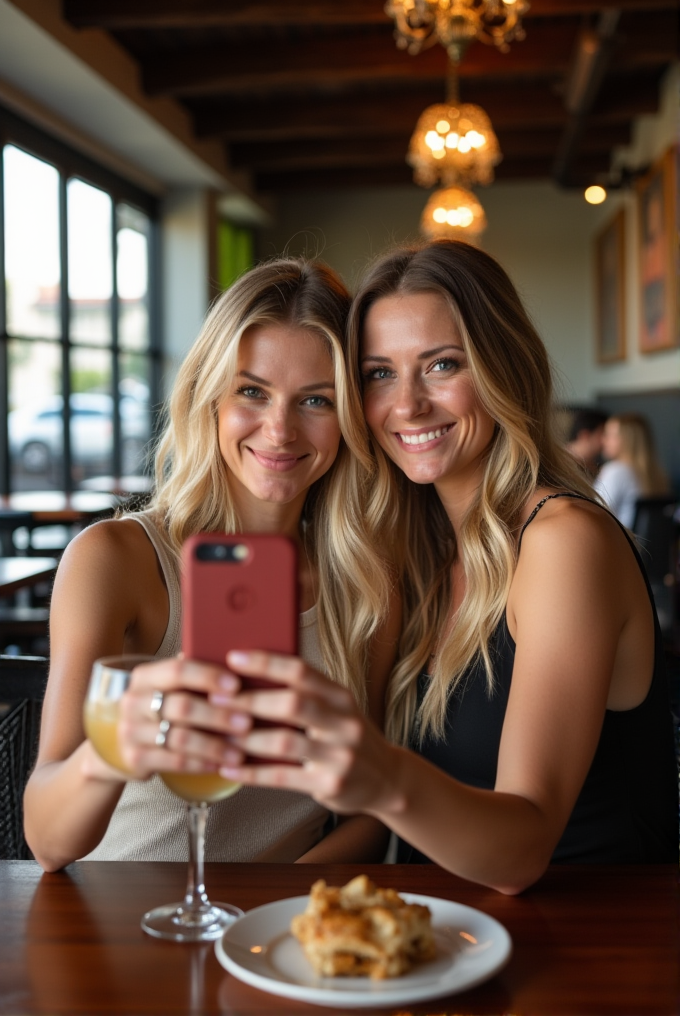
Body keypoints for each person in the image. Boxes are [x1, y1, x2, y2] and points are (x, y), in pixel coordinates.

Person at [166, 239, 677, 896]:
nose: (407, 405)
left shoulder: (563, 540)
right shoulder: (422, 550)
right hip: (445, 941)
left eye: (441, 365)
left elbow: (525, 848)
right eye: (379, 373)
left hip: (593, 946)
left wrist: (379, 772)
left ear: (503, 369)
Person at [23, 257, 398, 872]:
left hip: (276, 942)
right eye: (252, 391)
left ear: (351, 419)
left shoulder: (367, 582)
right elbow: (46, 838)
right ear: (210, 396)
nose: (279, 430)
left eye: (316, 400)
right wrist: (115, 746)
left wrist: (276, 917)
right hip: (119, 928)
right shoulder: (115, 560)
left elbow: (369, 809)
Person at [594, 413, 670, 529]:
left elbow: (595, 514)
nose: (603, 441)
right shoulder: (658, 474)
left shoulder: (616, 471)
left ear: (627, 440)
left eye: (610, 435)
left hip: (620, 544)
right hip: (645, 546)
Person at [565, 406, 608, 479]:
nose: (606, 440)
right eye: (603, 434)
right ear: (585, 435)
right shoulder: (559, 464)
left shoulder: (595, 468)